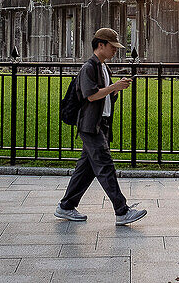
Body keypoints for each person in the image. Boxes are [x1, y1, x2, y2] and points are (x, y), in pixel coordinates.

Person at [55, 28, 147, 226]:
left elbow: (102, 96)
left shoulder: (104, 67)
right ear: (100, 45)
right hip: (90, 126)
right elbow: (91, 95)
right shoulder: (89, 67)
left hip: (101, 123)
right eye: (112, 47)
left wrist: (115, 90)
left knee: (86, 169)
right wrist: (113, 87)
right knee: (105, 166)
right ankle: (121, 211)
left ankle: (66, 206)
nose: (115, 50)